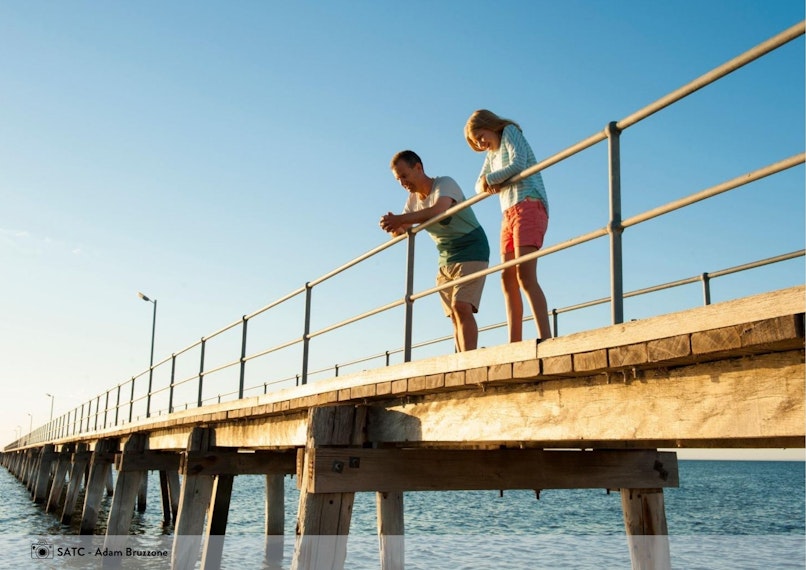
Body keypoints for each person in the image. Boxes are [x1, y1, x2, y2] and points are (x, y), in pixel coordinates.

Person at [380, 150, 490, 352]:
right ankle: (460, 360)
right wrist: (392, 226)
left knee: (462, 307)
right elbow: (403, 229)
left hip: (471, 246)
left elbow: (438, 210)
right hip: (446, 256)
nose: (402, 182)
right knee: (454, 314)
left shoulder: (444, 184)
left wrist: (401, 219)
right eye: (398, 179)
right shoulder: (413, 200)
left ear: (418, 168)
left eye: (404, 175)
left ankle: (470, 359)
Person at [464, 109, 552, 342]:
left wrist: (492, 179)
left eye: (481, 136)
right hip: (508, 212)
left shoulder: (509, 132)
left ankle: (545, 337)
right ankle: (514, 341)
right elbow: (477, 185)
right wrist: (487, 181)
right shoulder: (491, 154)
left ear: (489, 125)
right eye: (477, 142)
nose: (481, 144)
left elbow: (518, 163)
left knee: (525, 275)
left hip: (529, 203)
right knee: (507, 277)